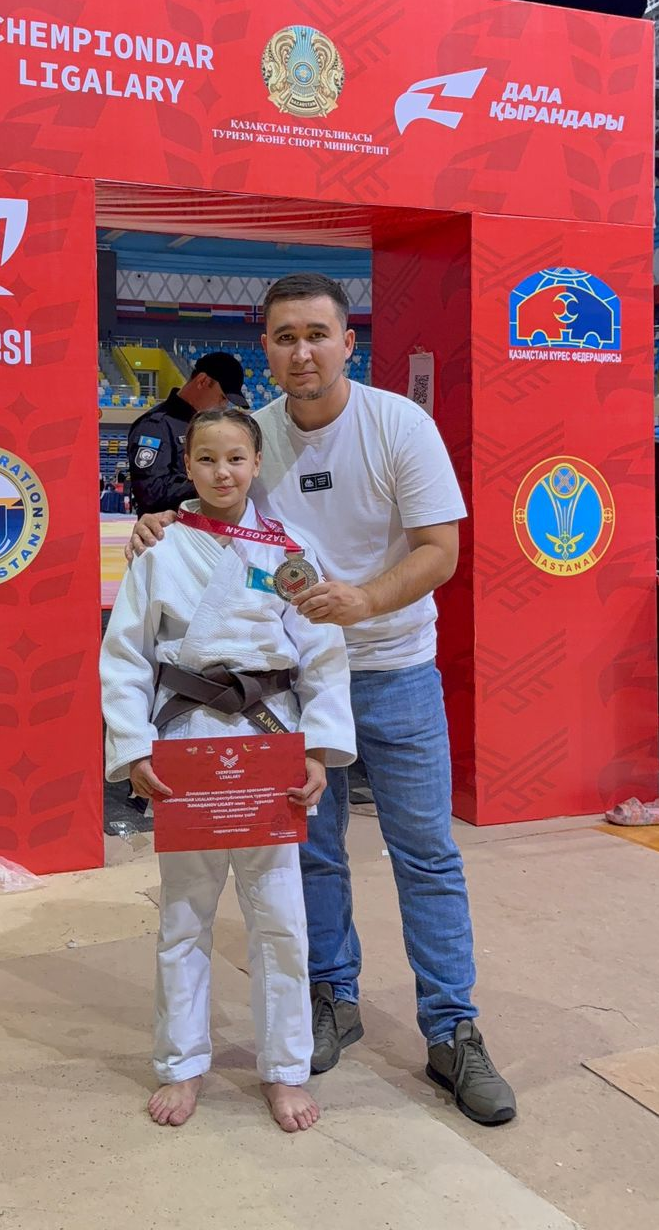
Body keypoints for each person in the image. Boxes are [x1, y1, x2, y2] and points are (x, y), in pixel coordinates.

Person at [129, 273, 517, 1127]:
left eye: (316, 334)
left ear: (348, 342)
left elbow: (440, 549)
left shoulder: (398, 425)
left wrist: (364, 601)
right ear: (265, 349)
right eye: (284, 337)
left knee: (426, 853)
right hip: (291, 687)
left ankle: (453, 1028)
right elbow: (219, 506)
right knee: (314, 855)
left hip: (396, 667)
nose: (301, 352)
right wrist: (163, 523)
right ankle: (330, 998)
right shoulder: (255, 433)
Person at [101, 406, 355, 1133]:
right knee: (184, 914)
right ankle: (181, 1062)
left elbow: (323, 655)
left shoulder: (290, 551)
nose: (222, 473)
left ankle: (285, 1069)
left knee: (281, 917)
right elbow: (125, 656)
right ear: (189, 465)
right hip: (188, 741)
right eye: (207, 460)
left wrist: (317, 748)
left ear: (256, 463)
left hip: (268, 737)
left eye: (236, 459)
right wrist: (135, 748)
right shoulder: (161, 547)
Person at [127, 352, 248, 517]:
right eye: (222, 397)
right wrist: (210, 483)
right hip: (167, 528)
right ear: (203, 381)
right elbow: (150, 491)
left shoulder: (209, 427)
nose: (224, 405)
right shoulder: (155, 426)